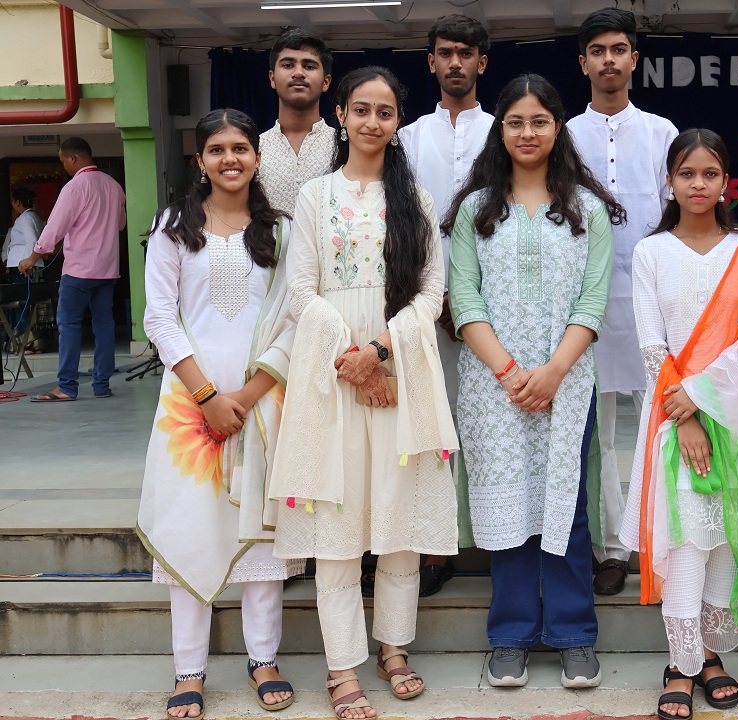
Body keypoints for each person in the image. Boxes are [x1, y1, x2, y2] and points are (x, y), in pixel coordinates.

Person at [268, 66, 458, 719]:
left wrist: (378, 354)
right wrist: (353, 358)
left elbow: (431, 293)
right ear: (341, 117)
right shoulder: (315, 196)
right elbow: (301, 292)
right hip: (332, 382)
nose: (373, 121)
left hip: (399, 375)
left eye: (385, 111)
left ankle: (393, 649)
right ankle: (342, 666)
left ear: (397, 122)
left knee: (399, 522)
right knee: (339, 526)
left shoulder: (417, 201)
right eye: (361, 110)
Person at [446, 73, 620, 689]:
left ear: (557, 127)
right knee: (507, 509)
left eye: (539, 121)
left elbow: (592, 301)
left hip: (566, 383)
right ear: (500, 129)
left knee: (566, 508)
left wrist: (551, 373)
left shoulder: (587, 210)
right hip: (492, 388)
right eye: (516, 122)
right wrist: (511, 373)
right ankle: (511, 635)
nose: (527, 132)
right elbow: (463, 298)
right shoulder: (474, 210)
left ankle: (574, 634)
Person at [137, 108, 302, 720]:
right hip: (189, 407)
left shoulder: (282, 230)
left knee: (261, 533)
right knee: (191, 526)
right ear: (200, 160)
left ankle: (264, 658)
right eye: (217, 150)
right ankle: (189, 668)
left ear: (257, 156)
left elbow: (296, 318)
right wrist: (207, 397)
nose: (230, 159)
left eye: (240, 148)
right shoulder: (173, 227)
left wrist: (249, 394)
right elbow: (159, 317)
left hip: (264, 400)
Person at [620, 129, 738, 720]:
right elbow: (652, 342)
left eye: (709, 173)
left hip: (736, 415)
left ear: (726, 180)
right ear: (670, 182)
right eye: (686, 174)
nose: (698, 184)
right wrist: (684, 415)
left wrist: (703, 400)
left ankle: (709, 655)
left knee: (725, 534)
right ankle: (681, 663)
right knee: (683, 539)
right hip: (671, 418)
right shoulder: (651, 252)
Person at [566, 7, 678, 595]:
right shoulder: (564, 134)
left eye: (618, 50)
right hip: (584, 301)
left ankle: (664, 542)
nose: (608, 60)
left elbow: (677, 213)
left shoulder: (661, 132)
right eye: (597, 51)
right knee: (600, 435)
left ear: (634, 59)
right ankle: (612, 548)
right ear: (582, 62)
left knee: (661, 424)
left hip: (652, 298)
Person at [398, 12, 494, 597]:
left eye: (466, 53)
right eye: (445, 53)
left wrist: (473, 302)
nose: (455, 62)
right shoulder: (409, 137)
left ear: (482, 61)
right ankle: (436, 546)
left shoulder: (504, 131)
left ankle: (497, 536)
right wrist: (432, 297)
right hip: (425, 301)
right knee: (432, 423)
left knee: (488, 422)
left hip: (495, 304)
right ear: (431, 61)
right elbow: (403, 222)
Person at [19, 137, 125, 402]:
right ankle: (101, 385)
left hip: (79, 270)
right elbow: (120, 224)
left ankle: (66, 386)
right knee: (104, 325)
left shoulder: (75, 186)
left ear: (73, 158)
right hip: (107, 269)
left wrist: (32, 257)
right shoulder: (114, 186)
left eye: (63, 161)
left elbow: (55, 227)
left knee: (69, 325)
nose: (64, 167)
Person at [259, 28, 336, 215]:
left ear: (326, 82)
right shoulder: (254, 148)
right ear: (272, 78)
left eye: (309, 66)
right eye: (288, 65)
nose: (299, 73)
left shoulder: (345, 146)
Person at [5, 187, 45, 279]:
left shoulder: (25, 218)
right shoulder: (31, 216)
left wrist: (28, 262)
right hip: (23, 263)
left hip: (22, 265)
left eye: (13, 201)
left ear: (17, 202)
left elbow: (31, 240)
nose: (12, 204)